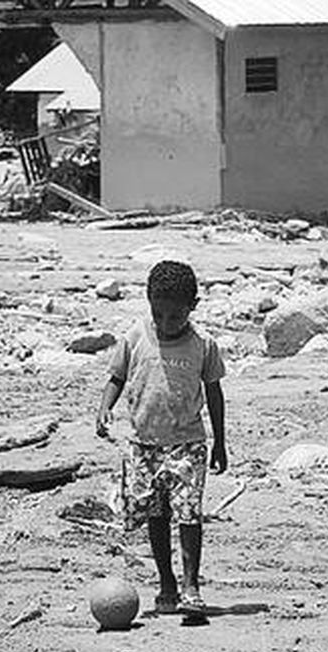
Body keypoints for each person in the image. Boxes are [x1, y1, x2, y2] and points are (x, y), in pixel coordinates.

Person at [96, 260, 227, 616]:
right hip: (144, 444)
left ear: (194, 307)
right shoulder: (136, 336)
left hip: (188, 444)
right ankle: (166, 582)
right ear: (148, 301)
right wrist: (104, 408)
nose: (167, 324)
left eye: (176, 316)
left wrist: (220, 442)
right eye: (160, 314)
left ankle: (191, 586)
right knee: (156, 514)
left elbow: (214, 393)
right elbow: (117, 377)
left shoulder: (203, 345)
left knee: (188, 514)